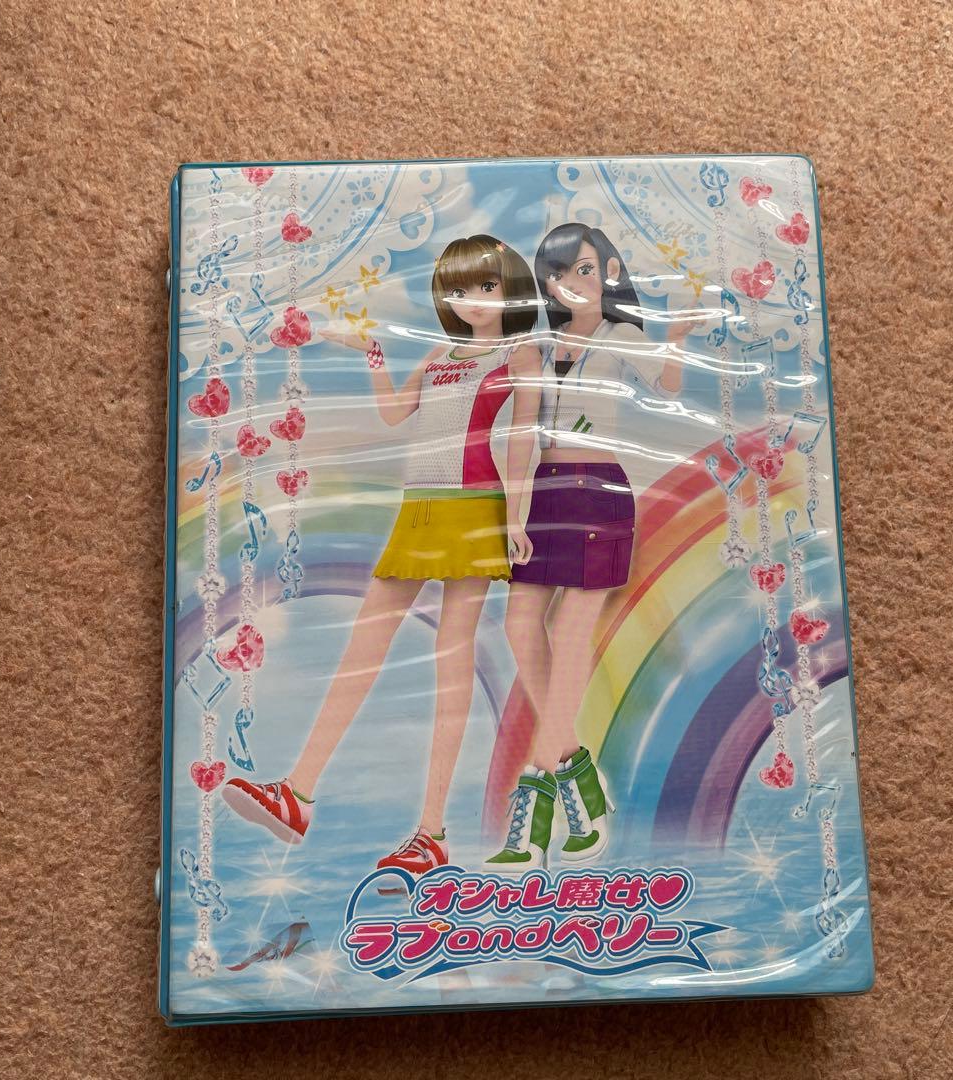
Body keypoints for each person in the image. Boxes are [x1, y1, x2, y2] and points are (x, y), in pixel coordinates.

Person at [223, 235, 541, 882]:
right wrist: (372, 354)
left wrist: (515, 518)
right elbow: (397, 415)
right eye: (460, 289)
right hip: (418, 508)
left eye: (487, 286)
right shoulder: (439, 352)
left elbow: (521, 440)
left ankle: (432, 833)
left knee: (451, 661)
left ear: (510, 287)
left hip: (474, 508)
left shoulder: (520, 353)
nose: (474, 300)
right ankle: (297, 793)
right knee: (364, 642)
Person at [484, 223, 692, 873]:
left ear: (607, 270)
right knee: (520, 625)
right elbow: (524, 429)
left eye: (582, 269)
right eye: (557, 275)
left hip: (599, 492)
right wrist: (515, 511)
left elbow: (668, 385)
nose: (570, 284)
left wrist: (678, 340)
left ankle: (537, 798)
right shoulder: (543, 346)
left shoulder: (620, 336)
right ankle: (577, 771)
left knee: (572, 633)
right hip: (544, 494)